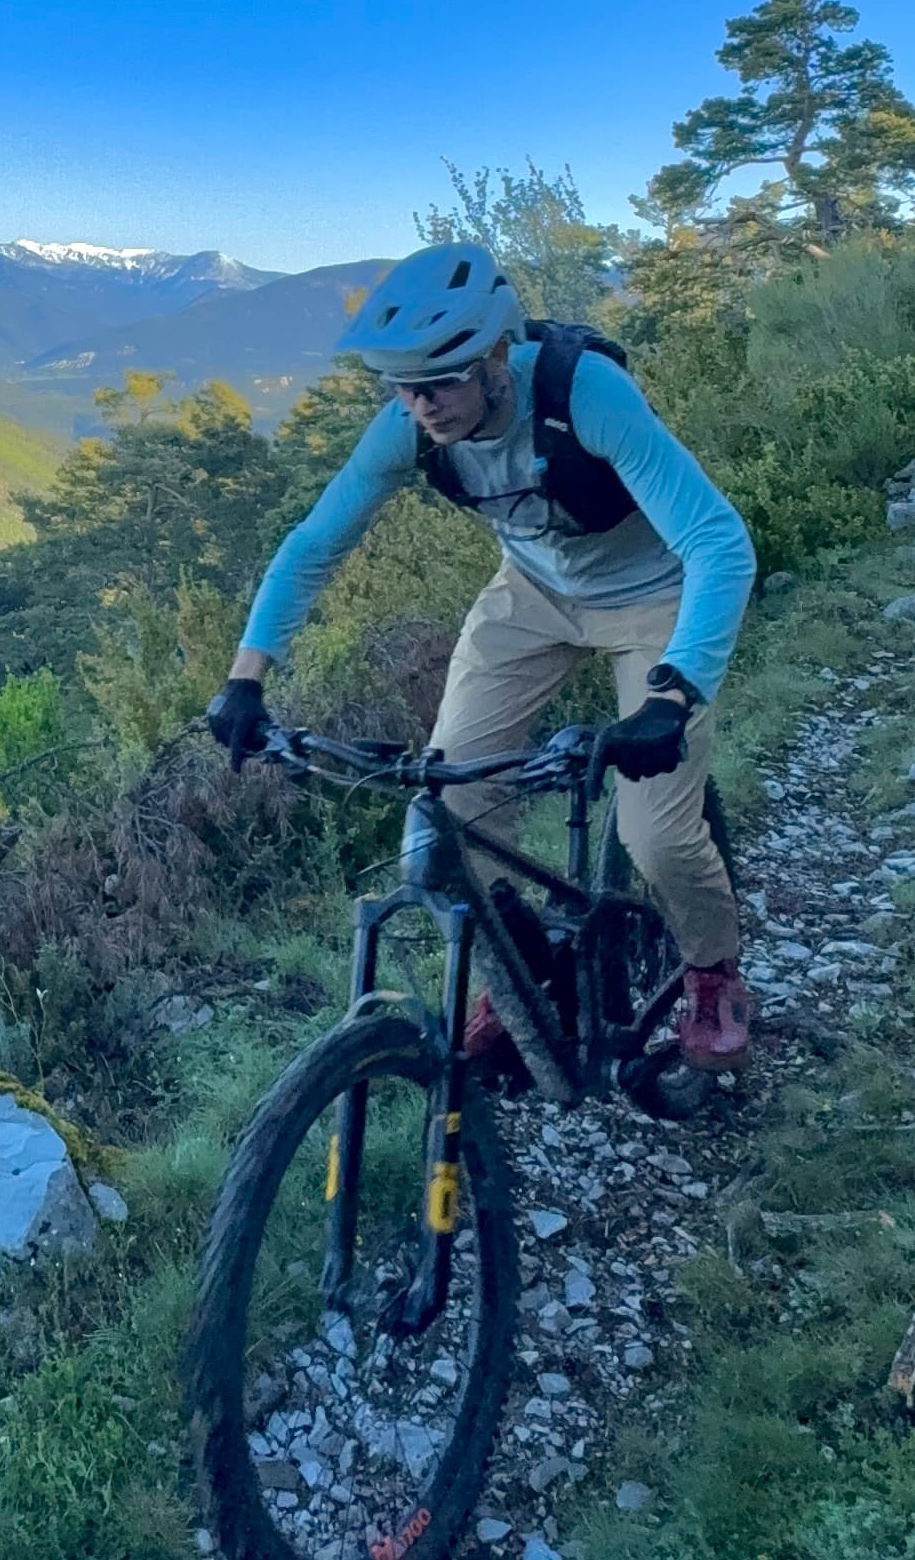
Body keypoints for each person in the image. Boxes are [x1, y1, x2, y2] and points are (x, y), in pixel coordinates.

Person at [207, 243, 757, 1067]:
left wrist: (673, 697)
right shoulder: (409, 427)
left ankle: (711, 971)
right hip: (529, 598)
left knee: (658, 841)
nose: (419, 404)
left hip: (655, 594)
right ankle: (526, 984)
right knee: (439, 830)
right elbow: (313, 545)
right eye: (402, 385)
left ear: (498, 355)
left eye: (439, 381)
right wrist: (246, 680)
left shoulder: (585, 394)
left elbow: (719, 541)